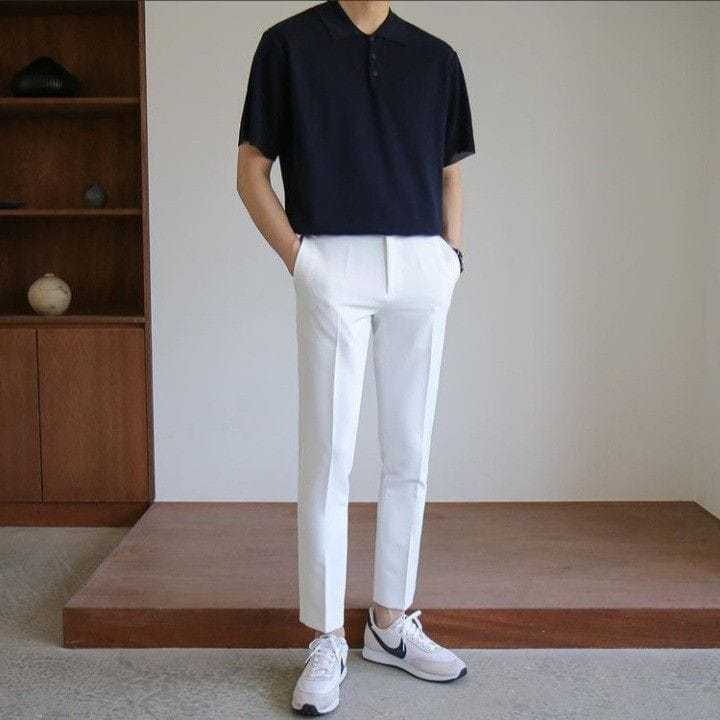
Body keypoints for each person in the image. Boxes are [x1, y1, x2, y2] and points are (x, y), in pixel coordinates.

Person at [236, 0, 475, 714]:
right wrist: (301, 260)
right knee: (328, 456)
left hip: (421, 266)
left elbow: (450, 171)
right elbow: (251, 170)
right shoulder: (287, 45)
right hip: (330, 261)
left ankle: (390, 623)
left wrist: (450, 258)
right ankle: (325, 636)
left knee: (410, 452)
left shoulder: (436, 58)